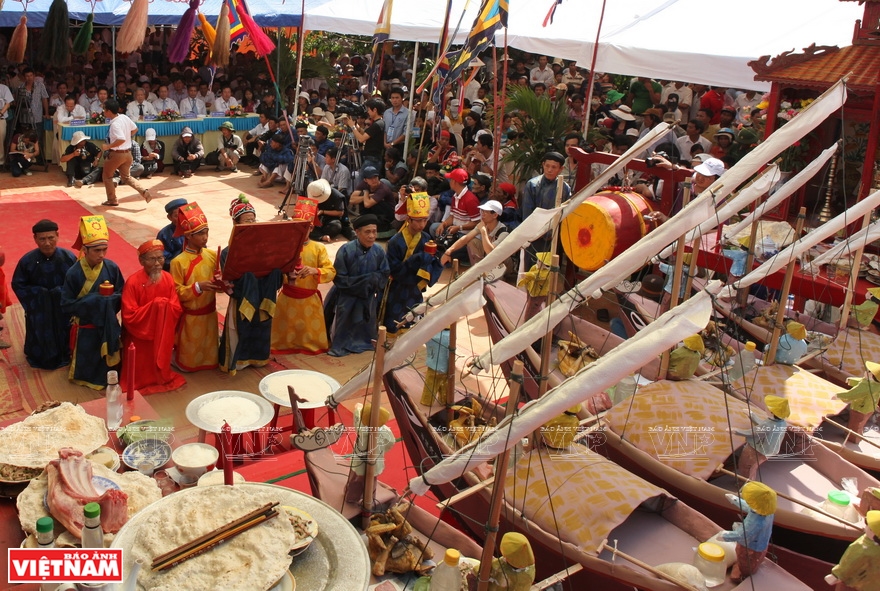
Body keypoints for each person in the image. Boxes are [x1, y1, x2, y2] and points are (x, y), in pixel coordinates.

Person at [218, 196, 283, 375]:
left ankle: (259, 358)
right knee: (240, 330)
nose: (252, 224)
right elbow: (229, 279)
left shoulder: (263, 247)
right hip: (243, 299)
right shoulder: (228, 252)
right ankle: (236, 361)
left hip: (263, 296)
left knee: (262, 328)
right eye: (247, 221)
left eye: (253, 219)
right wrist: (247, 284)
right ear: (235, 222)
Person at [60, 215, 124, 390]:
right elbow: (66, 304)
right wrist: (93, 300)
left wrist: (110, 301)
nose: (102, 254)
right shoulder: (74, 273)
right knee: (87, 358)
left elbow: (122, 294)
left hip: (107, 324)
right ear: (85, 249)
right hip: (85, 328)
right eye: (96, 250)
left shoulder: (112, 267)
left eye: (104, 249)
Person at [271, 191, 337, 354]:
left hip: (309, 298)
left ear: (312, 227)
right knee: (283, 338)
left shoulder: (318, 248)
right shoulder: (285, 247)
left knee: (310, 337)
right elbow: (273, 269)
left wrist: (315, 270)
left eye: (304, 227)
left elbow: (331, 271)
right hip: (287, 297)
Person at [11, 219, 78, 369]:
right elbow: (18, 284)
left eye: (51, 238)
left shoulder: (69, 258)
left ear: (57, 236)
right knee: (38, 331)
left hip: (62, 307)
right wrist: (40, 295)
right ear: (35, 239)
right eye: (42, 239)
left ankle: (64, 355)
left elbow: (77, 283)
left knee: (63, 330)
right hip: (38, 308)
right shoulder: (27, 261)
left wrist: (59, 294)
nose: (47, 243)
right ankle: (38, 356)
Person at [121, 240, 185, 394]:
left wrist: (162, 308)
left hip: (162, 332)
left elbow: (176, 307)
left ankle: (160, 378)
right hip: (140, 336)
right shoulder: (133, 282)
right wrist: (155, 307)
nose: (158, 263)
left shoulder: (168, 278)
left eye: (160, 258)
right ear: (141, 261)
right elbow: (129, 315)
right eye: (152, 259)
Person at [324, 214, 390, 357]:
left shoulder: (379, 251)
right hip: (347, 295)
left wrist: (372, 281)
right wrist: (366, 281)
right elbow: (340, 278)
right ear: (357, 232)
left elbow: (384, 273)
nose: (372, 236)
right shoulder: (346, 250)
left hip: (368, 296)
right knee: (344, 322)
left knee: (367, 323)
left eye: (374, 231)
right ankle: (341, 345)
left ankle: (364, 342)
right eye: (367, 232)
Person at [170, 202, 221, 372]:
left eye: (206, 232)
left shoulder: (212, 255)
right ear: (189, 236)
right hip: (191, 315)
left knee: (209, 348)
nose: (205, 237)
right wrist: (198, 287)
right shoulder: (178, 262)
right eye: (200, 234)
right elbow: (176, 291)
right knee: (190, 356)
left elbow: (219, 282)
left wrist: (221, 284)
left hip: (210, 312)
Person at [382, 193, 443, 334]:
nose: (422, 224)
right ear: (409, 219)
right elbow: (393, 269)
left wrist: (435, 259)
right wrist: (414, 260)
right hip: (397, 286)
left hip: (415, 287)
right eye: (418, 220)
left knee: (414, 321)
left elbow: (431, 263)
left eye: (425, 220)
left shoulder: (427, 238)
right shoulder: (395, 241)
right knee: (393, 324)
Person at [719, 482, 777, 582]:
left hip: (750, 547)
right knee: (753, 558)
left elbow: (741, 534)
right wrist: (735, 500)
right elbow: (750, 507)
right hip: (761, 543)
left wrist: (725, 536)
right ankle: (744, 568)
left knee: (745, 559)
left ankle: (743, 574)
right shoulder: (766, 510)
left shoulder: (756, 522)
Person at [520, 152, 571, 264]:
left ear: (561, 169)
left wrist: (552, 231)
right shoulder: (532, 184)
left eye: (554, 167)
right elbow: (527, 211)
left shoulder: (565, 188)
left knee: (548, 268)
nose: (549, 170)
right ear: (543, 164)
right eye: (547, 166)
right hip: (533, 233)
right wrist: (533, 232)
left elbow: (565, 213)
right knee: (530, 267)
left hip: (553, 234)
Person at [100, 99, 152, 207]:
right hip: (128, 153)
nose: (103, 111)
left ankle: (112, 199)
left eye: (104, 109)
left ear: (109, 111)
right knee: (127, 177)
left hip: (117, 153)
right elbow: (135, 129)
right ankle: (144, 191)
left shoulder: (115, 124)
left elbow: (121, 139)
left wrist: (108, 146)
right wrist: (128, 137)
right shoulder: (124, 117)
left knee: (107, 176)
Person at [440, 200, 510, 276]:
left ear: (495, 215)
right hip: (490, 260)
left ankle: (491, 274)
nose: (482, 214)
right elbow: (466, 238)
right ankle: (479, 270)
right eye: (482, 211)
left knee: (497, 254)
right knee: (472, 241)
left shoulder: (503, 232)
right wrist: (448, 251)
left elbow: (491, 252)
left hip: (503, 264)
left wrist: (483, 232)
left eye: (485, 212)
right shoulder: (483, 225)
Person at [346, 403, 395, 503]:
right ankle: (369, 500)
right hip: (375, 461)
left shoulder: (362, 429)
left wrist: (358, 410)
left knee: (355, 480)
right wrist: (382, 450)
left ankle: (351, 497)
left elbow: (357, 420)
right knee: (371, 482)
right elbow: (391, 442)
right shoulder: (385, 431)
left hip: (359, 461)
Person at [735, 395, 790, 481]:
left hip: (758, 450)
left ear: (772, 412)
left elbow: (754, 432)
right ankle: (748, 483)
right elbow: (763, 426)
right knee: (752, 467)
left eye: (767, 407)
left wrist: (737, 431)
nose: (765, 408)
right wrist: (752, 415)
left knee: (746, 466)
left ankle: (747, 485)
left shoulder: (770, 424)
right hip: (769, 450)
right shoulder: (781, 422)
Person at [826, 510, 880, 591]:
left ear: (873, 531)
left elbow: (850, 562)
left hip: (854, 583)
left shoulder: (862, 547)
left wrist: (836, 575)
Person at [834, 361, 880, 440]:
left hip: (860, 409)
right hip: (870, 408)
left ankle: (852, 439)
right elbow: (863, 381)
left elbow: (853, 394)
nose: (866, 372)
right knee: (861, 424)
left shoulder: (867, 387)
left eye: (869, 372)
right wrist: (850, 380)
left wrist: (838, 396)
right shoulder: (876, 385)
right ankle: (859, 436)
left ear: (872, 376)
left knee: (854, 425)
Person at [349, 166, 396, 232]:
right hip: (372, 213)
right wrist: (367, 195)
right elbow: (352, 200)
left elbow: (367, 204)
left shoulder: (382, 189)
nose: (374, 180)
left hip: (385, 216)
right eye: (371, 178)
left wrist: (366, 193)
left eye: (375, 177)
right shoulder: (364, 184)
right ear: (365, 180)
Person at [157, 198, 187, 271]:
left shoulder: (194, 228)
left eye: (184, 214)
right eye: (177, 216)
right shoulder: (164, 234)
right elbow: (164, 261)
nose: (181, 219)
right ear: (169, 217)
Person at [0, 79, 14, 168]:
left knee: (0, 140)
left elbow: (8, 103)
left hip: (1, 117)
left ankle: (1, 162)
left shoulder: (4, 88)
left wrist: (1, 113)